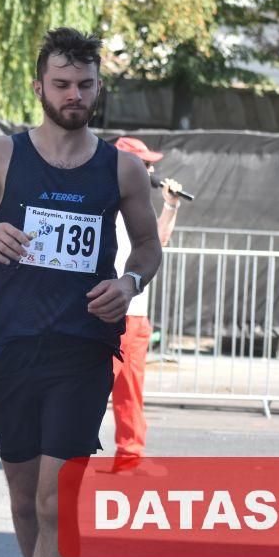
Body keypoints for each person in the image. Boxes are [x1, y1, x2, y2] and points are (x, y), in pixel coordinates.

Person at [0, 27, 162, 557]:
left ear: (98, 87)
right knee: (23, 500)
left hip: (83, 346)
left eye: (85, 85)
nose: (74, 95)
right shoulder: (0, 155)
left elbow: (148, 247)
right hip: (13, 343)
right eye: (62, 84)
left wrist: (129, 284)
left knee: (54, 502)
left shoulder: (122, 168)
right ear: (39, 87)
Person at [111, 138, 183, 473]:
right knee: (83, 389)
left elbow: (158, 241)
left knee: (130, 390)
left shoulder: (139, 205)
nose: (152, 171)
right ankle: (60, 454)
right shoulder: (104, 200)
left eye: (151, 165)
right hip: (107, 312)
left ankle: (129, 456)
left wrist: (171, 206)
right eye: (145, 164)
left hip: (134, 315)